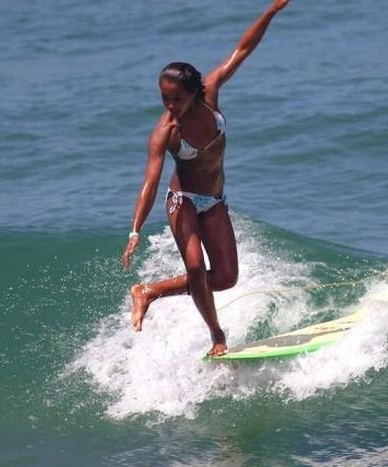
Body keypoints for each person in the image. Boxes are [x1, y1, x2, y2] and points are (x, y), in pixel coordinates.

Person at [122, 0, 290, 357]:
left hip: (214, 201)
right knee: (196, 268)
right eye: (164, 98)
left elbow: (242, 49)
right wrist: (135, 229)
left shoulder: (211, 92)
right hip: (181, 201)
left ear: (194, 91)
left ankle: (149, 291)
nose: (170, 105)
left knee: (226, 277)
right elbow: (150, 183)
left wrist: (271, 12)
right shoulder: (165, 132)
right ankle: (217, 335)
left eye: (176, 98)